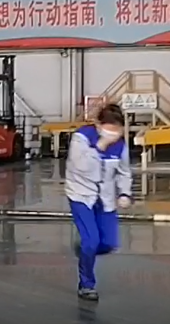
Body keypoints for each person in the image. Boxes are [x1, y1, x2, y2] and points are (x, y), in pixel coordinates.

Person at [65, 108, 133, 302]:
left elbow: (124, 171)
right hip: (81, 194)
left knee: (109, 243)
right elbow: (81, 166)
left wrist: (125, 193)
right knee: (91, 241)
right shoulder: (81, 138)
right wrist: (101, 146)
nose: (113, 134)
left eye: (117, 130)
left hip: (105, 198)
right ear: (98, 125)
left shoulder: (120, 145)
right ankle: (87, 285)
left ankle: (84, 248)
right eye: (109, 129)